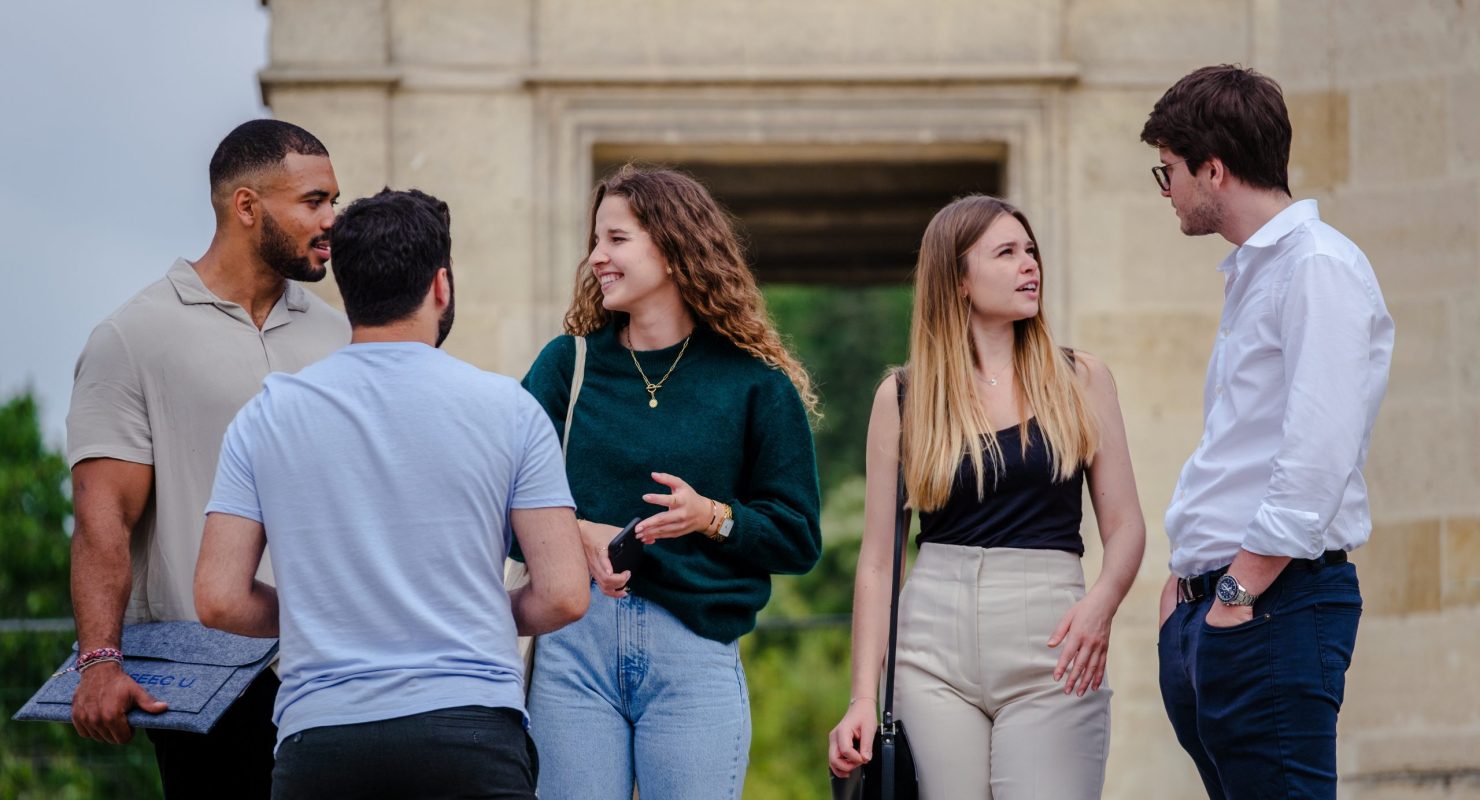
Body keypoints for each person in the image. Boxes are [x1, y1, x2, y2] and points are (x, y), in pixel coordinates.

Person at [193, 188, 590, 799]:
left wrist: (320, 612)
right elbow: (564, 595)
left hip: (321, 739)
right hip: (471, 732)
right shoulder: (508, 408)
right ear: (440, 286)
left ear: (346, 290)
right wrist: (475, 611)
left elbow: (219, 599)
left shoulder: (268, 413)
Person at [519, 165, 823, 800]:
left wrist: (711, 516)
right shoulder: (565, 366)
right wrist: (576, 535)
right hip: (573, 648)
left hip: (694, 654)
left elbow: (797, 539)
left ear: (674, 246)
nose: (597, 257)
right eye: (595, 240)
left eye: (617, 239)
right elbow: (498, 500)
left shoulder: (755, 384)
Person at [828, 195, 1146, 798]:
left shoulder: (1080, 378)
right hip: (930, 648)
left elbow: (1127, 525)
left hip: (1052, 640)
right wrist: (862, 698)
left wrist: (1102, 604)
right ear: (959, 280)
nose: (1030, 265)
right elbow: (876, 562)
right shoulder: (902, 396)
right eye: (1007, 252)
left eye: (1031, 251)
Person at [65, 119, 349, 796]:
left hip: (333, 668)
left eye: (334, 200)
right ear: (246, 207)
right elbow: (105, 516)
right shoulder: (132, 336)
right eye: (314, 201)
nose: (332, 219)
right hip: (202, 675)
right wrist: (99, 659)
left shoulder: (340, 335)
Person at [1142, 65, 1394, 798]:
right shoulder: (1260, 273)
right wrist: (1184, 594)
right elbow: (1240, 448)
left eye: (1169, 173)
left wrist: (1234, 595)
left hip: (1271, 609)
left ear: (1213, 170)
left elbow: (1317, 455)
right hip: (1220, 615)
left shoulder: (1318, 269)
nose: (1169, 193)